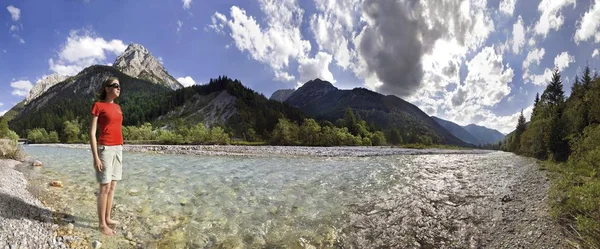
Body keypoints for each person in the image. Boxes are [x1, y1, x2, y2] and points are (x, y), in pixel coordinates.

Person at [89, 77, 123, 236]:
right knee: (104, 187)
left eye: (119, 86)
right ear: (107, 88)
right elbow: (92, 132)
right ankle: (102, 224)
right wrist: (96, 157)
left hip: (118, 149)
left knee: (112, 186)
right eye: (115, 85)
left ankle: (108, 218)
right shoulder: (98, 105)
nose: (118, 88)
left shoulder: (117, 107)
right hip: (105, 149)